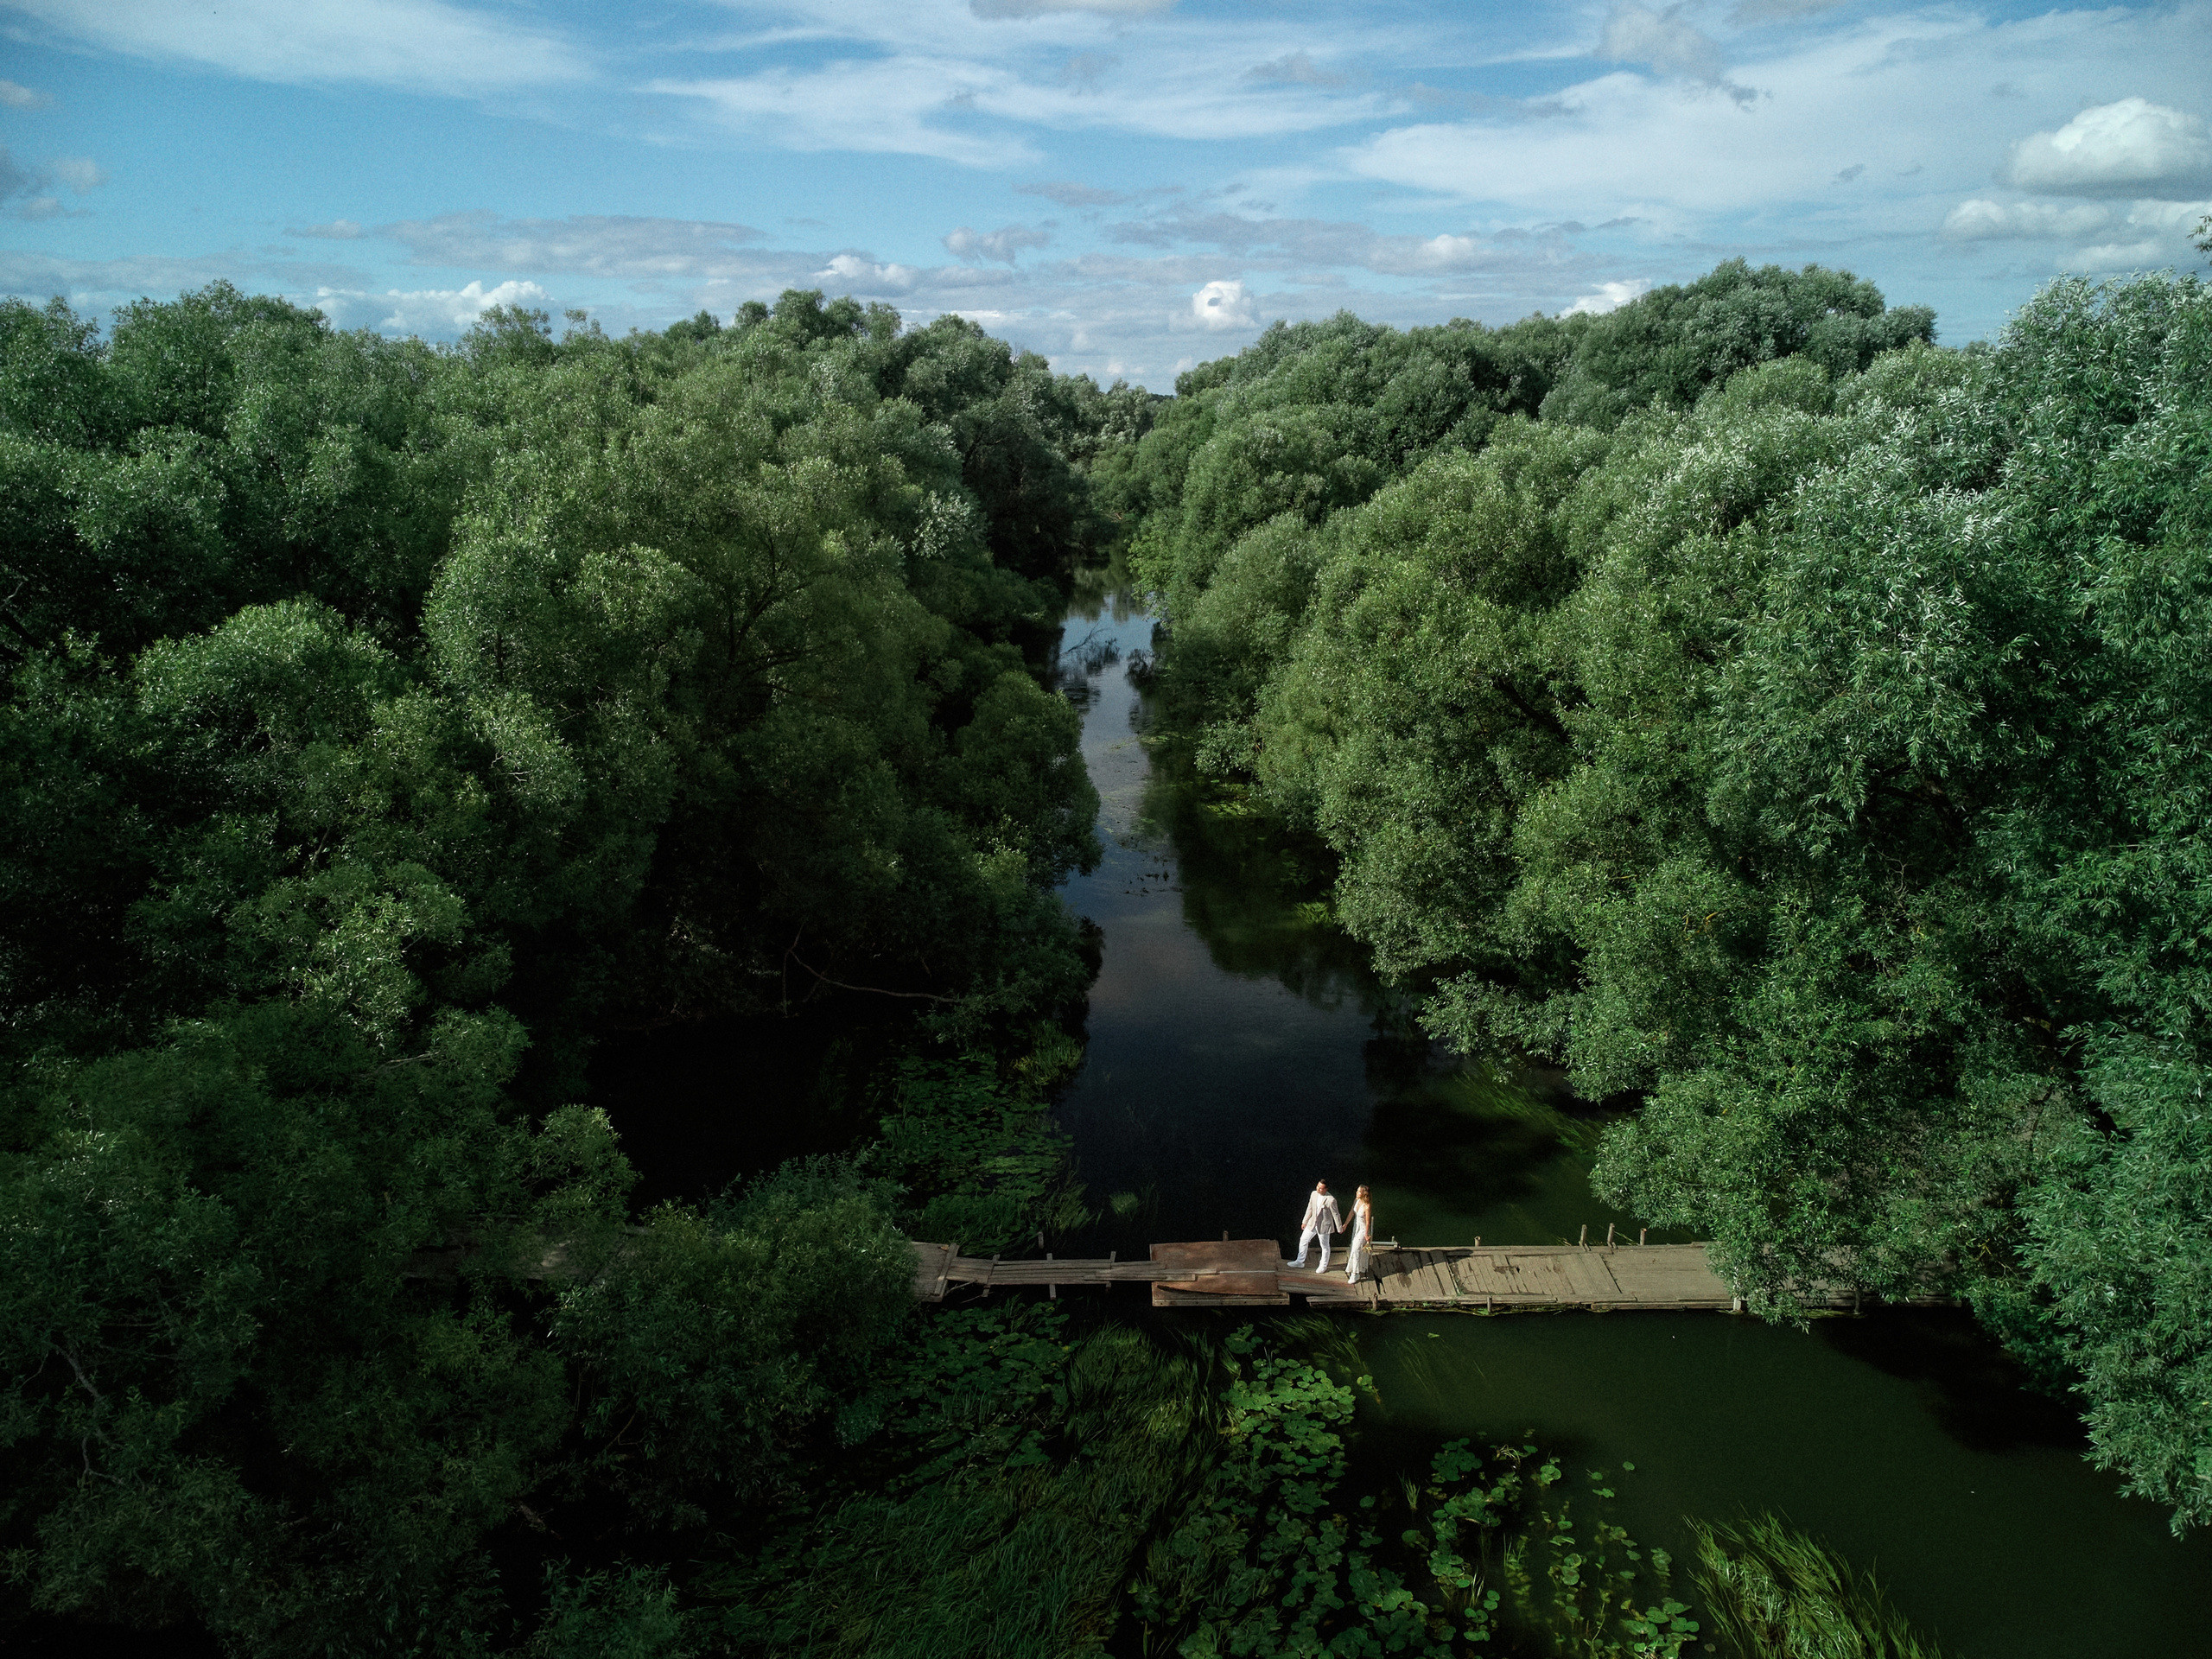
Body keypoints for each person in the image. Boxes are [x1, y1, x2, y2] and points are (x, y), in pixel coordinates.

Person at [1292, 1181, 1342, 1273]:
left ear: (1326, 1189)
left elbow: (1336, 1214)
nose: (1318, 1189)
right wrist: (1305, 1221)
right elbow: (1309, 1208)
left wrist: (1339, 1228)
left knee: (1325, 1246)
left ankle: (1323, 1265)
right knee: (1303, 1240)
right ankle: (1300, 1261)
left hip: (1324, 1225)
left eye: (1321, 1188)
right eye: (1318, 1186)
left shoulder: (1331, 1200)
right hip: (1312, 1223)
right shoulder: (1314, 1194)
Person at [1345, 1185, 1374, 1285]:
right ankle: (1357, 1269)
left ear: (1363, 1194)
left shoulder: (1367, 1206)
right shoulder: (1356, 1201)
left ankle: (1355, 1273)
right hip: (1356, 1228)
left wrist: (1366, 1234)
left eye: (1358, 1192)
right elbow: (1351, 1213)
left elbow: (1368, 1222)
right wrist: (1345, 1224)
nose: (1356, 1193)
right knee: (1355, 1248)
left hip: (1363, 1230)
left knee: (1356, 1249)